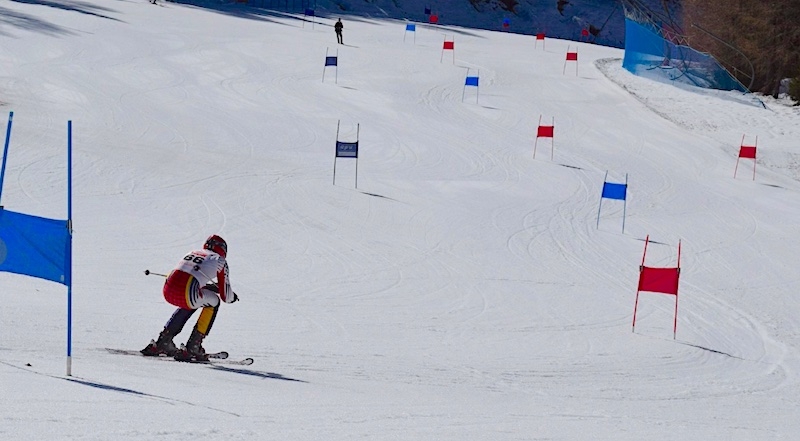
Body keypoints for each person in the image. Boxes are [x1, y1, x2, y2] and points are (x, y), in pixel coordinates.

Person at [141, 235, 238, 361]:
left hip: (168, 290)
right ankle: (194, 346)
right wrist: (233, 297)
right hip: (188, 292)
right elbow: (226, 297)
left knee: (193, 297)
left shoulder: (193, 252)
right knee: (213, 302)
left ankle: (163, 341)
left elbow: (190, 277)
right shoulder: (220, 260)